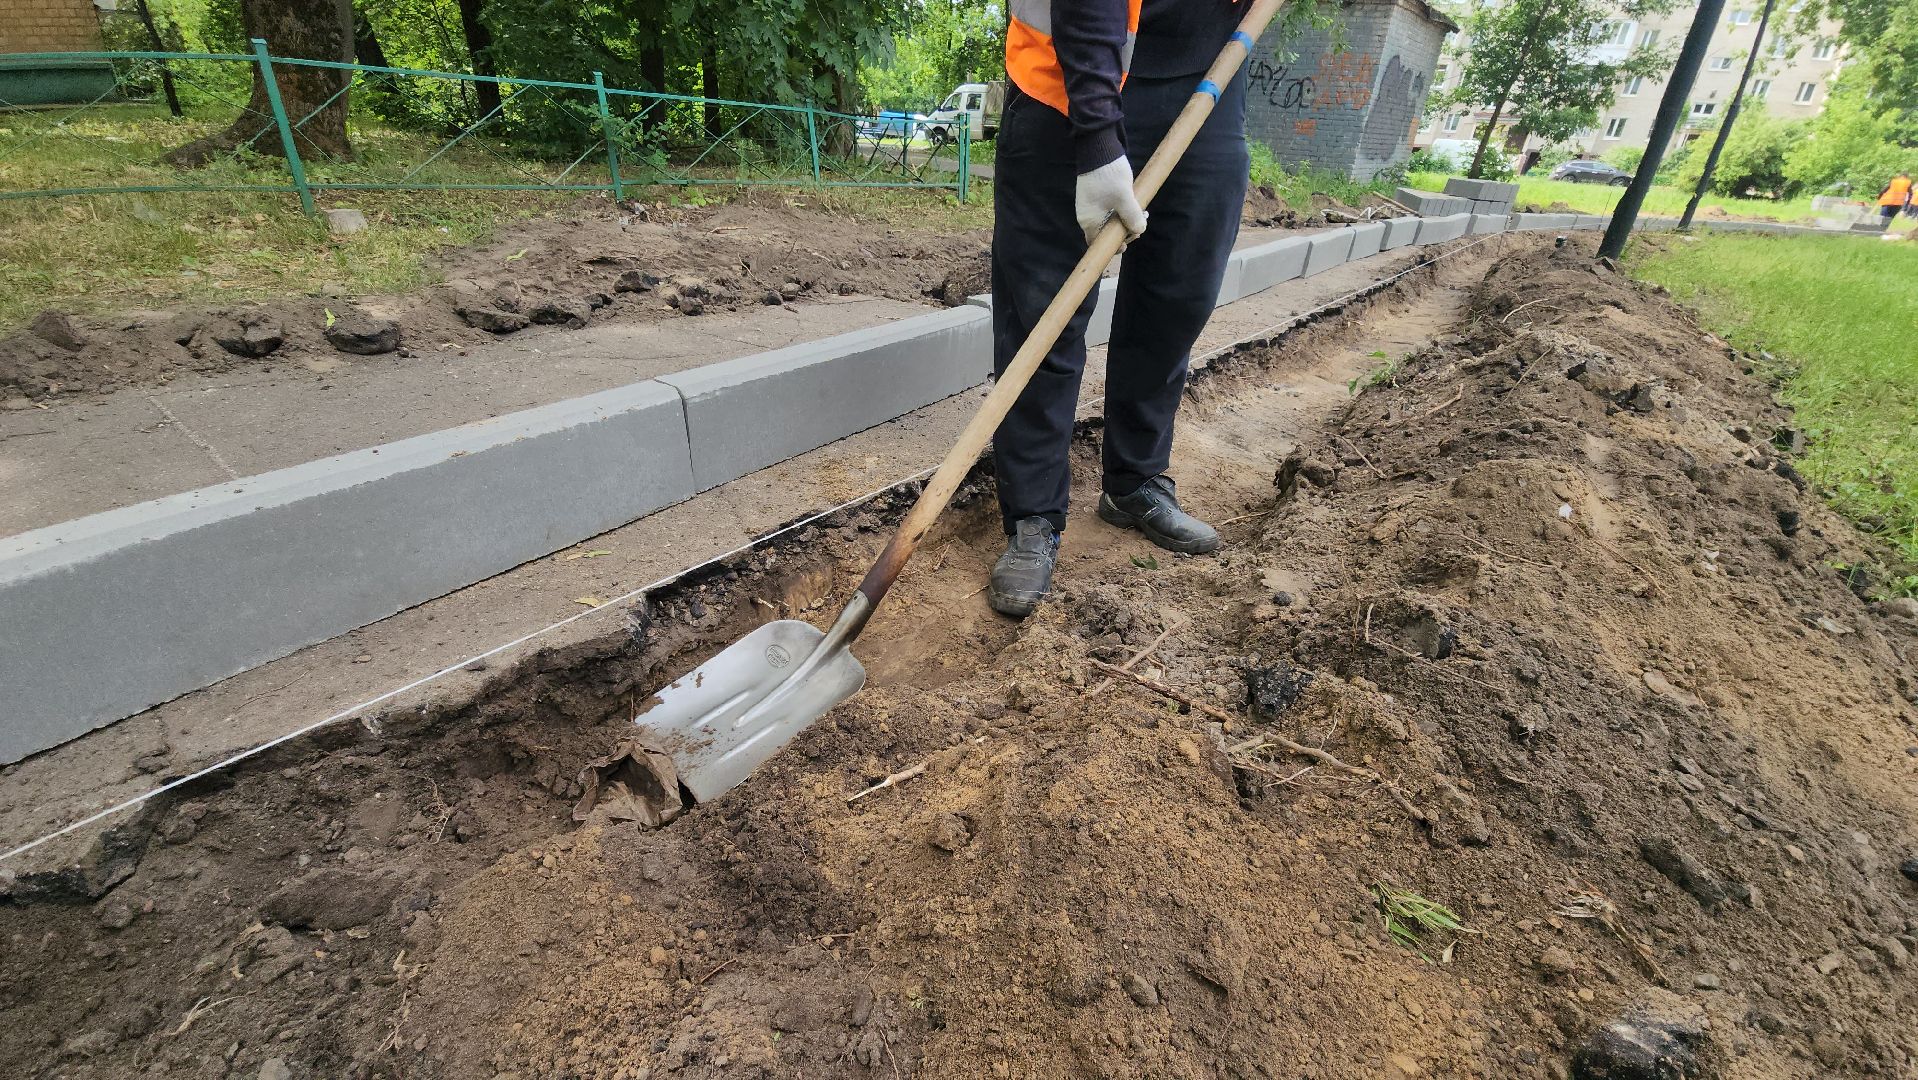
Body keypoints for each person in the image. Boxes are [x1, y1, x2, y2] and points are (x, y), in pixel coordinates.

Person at [986, 0, 1248, 618]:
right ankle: (1033, 515)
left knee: (1176, 302)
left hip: (1207, 86)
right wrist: (1098, 135)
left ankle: (1135, 482)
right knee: (1043, 313)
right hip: (1064, 85)